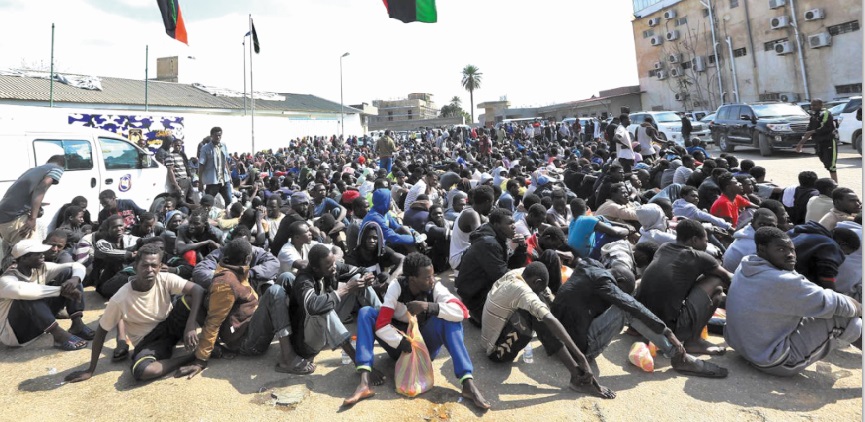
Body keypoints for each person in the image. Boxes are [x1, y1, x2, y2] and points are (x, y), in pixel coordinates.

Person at [345, 253, 491, 410]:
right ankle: (365, 381)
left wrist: (428, 307)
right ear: (412, 279)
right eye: (427, 277)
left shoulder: (435, 288)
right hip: (399, 347)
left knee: (450, 320)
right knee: (366, 312)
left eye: (432, 275)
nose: (432, 280)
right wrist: (402, 342)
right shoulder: (396, 287)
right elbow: (381, 325)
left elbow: (461, 312)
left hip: (424, 347)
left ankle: (467, 383)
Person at [552, 257, 728, 378]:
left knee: (625, 305)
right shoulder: (604, 283)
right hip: (577, 350)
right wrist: (666, 331)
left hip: (556, 341)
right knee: (626, 309)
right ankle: (677, 356)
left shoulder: (588, 266)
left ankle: (675, 354)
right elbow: (631, 306)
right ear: (617, 282)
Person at [724, 227, 861, 376]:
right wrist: (860, 309)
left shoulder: (748, 263)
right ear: (762, 249)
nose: (790, 255)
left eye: (792, 250)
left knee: (821, 309)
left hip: (743, 348)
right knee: (848, 319)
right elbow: (838, 304)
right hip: (774, 361)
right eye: (781, 249)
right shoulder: (782, 281)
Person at [65, 244, 206, 383]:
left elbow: (198, 290)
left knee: (195, 298)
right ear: (135, 267)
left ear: (160, 266)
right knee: (142, 371)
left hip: (171, 324)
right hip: (149, 341)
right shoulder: (120, 298)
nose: (150, 270)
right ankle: (192, 356)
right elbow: (101, 332)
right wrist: (90, 370)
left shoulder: (165, 278)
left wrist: (190, 325)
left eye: (154, 266)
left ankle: (211, 341)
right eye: (144, 266)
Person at [176, 238, 313, 379]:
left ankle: (302, 339)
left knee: (286, 277)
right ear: (248, 258)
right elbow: (213, 322)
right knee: (274, 291)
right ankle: (287, 358)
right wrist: (200, 360)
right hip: (247, 342)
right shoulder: (225, 283)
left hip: (251, 324)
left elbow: (272, 264)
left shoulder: (235, 270)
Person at [481, 263, 615, 398]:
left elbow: (547, 297)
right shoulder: (521, 291)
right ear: (537, 281)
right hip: (497, 352)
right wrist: (581, 358)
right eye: (540, 287)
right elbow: (549, 318)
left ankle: (576, 373)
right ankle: (577, 377)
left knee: (541, 306)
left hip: (491, 337)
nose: (540, 291)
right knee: (540, 318)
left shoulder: (519, 273)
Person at [636, 219, 733, 355]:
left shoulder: (664, 248)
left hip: (642, 323)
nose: (707, 244)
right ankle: (694, 341)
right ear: (694, 240)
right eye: (705, 241)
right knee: (716, 285)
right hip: (667, 329)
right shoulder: (699, 256)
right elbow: (729, 278)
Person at [286, 244, 381, 367]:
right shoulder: (304, 280)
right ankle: (359, 362)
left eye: (334, 263)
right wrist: (346, 288)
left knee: (358, 279)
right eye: (329, 266)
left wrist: (368, 276)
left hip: (326, 331)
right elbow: (313, 306)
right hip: (307, 342)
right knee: (323, 308)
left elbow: (360, 270)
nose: (334, 267)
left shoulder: (332, 268)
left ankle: (384, 321)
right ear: (316, 269)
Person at [0, 239, 89, 350]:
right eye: (38, 254)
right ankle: (59, 336)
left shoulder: (41, 268)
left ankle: (77, 324)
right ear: (23, 258)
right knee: (28, 294)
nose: (43, 256)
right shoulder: (6, 278)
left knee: (69, 273)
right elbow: (19, 291)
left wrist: (75, 279)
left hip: (40, 324)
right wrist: (60, 290)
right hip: (16, 334)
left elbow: (75, 265)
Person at [455, 208, 527, 323]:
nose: (514, 226)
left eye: (513, 222)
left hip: (483, 289)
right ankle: (476, 316)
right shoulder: (489, 243)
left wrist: (522, 247)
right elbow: (502, 276)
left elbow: (510, 266)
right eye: (509, 223)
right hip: (475, 297)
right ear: (497, 225)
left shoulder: (498, 238)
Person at [0, 155, 64, 260]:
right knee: (31, 254)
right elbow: (41, 187)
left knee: (15, 254)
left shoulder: (33, 170)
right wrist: (32, 218)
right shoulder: (57, 168)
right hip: (15, 218)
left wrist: (35, 208)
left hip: (4, 215)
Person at [788, 221, 860, 291]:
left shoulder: (800, 232)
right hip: (793, 282)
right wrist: (835, 297)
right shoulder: (830, 245)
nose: (844, 255)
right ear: (842, 244)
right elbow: (826, 276)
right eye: (846, 253)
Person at [344, 221, 403, 298]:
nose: (372, 241)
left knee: (385, 276)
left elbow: (403, 259)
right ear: (362, 238)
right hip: (363, 294)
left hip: (382, 288)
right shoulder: (352, 258)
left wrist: (392, 278)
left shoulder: (380, 250)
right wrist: (377, 288)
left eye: (375, 238)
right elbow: (355, 286)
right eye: (368, 237)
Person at [450, 186, 495, 272]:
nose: (492, 207)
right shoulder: (471, 214)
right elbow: (481, 239)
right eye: (492, 203)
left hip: (462, 256)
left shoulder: (477, 213)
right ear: (487, 202)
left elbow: (489, 225)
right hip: (458, 259)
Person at [795, 99, 839, 182]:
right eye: (811, 105)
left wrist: (813, 131)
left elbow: (826, 127)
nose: (812, 107)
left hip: (828, 142)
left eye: (815, 105)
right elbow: (809, 131)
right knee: (825, 163)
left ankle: (835, 185)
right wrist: (800, 144)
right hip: (819, 143)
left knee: (831, 165)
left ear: (821, 105)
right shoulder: (813, 116)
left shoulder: (826, 114)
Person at [198, 127, 232, 205]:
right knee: (207, 202)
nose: (218, 137)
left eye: (219, 135)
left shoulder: (223, 145)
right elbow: (201, 165)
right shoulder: (205, 148)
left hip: (224, 180)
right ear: (211, 136)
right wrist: (200, 182)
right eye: (216, 135)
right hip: (213, 181)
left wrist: (229, 176)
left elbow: (225, 161)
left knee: (229, 201)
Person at [163, 137, 194, 204]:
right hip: (180, 181)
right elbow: (170, 171)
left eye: (179, 145)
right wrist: (176, 185)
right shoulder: (170, 156)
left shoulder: (181, 155)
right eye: (176, 145)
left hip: (186, 180)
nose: (178, 147)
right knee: (181, 201)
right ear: (172, 146)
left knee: (190, 199)